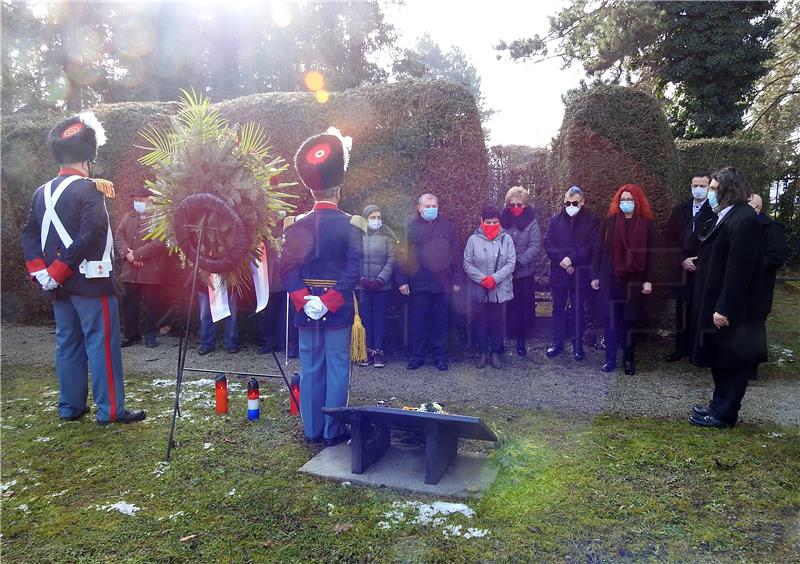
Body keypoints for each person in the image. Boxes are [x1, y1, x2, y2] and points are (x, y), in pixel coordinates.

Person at [20, 112, 145, 425]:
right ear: (88, 157)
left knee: (68, 344)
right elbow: (91, 234)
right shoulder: (90, 190)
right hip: (91, 282)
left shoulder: (40, 192)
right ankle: (111, 410)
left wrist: (42, 272)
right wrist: (60, 270)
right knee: (101, 346)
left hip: (57, 285)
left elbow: (29, 233)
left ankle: (70, 406)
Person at [280, 127, 362, 447]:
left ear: (312, 190)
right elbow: (354, 268)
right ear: (338, 188)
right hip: (337, 306)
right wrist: (328, 301)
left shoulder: (295, 224)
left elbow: (287, 268)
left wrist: (305, 299)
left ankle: (311, 430)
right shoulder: (351, 223)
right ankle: (333, 431)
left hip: (305, 308)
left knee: (311, 367)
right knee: (338, 367)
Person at [688, 168, 769, 428]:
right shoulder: (728, 215)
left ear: (727, 190)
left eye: (713, 189)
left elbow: (739, 270)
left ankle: (724, 414)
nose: (709, 193)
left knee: (733, 363)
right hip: (720, 302)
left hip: (735, 309)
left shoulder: (744, 220)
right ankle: (718, 406)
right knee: (721, 358)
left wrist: (725, 308)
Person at [591, 184, 657, 375]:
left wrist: (648, 280)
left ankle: (628, 360)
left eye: (629, 200)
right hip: (611, 279)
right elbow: (599, 250)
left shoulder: (647, 224)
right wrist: (595, 275)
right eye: (623, 200)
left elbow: (652, 254)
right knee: (610, 321)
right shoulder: (609, 222)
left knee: (629, 323)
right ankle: (610, 359)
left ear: (637, 202)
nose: (626, 203)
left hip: (635, 281)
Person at [396, 193, 463, 371]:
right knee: (418, 322)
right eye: (428, 206)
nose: (432, 209)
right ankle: (417, 356)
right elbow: (402, 255)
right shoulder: (409, 227)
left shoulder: (448, 226)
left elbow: (456, 253)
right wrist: (402, 280)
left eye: (434, 206)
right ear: (419, 208)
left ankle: (440, 357)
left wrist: (457, 279)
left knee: (440, 323)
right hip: (418, 283)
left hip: (442, 283)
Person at [663, 171, 716, 361]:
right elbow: (668, 238)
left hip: (705, 269)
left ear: (709, 187)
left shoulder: (715, 209)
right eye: (695, 185)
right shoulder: (680, 210)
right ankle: (680, 348)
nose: (699, 189)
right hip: (683, 269)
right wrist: (681, 259)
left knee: (702, 309)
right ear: (691, 186)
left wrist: (701, 261)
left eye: (703, 185)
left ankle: (700, 349)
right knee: (682, 310)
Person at [543, 185, 598, 361]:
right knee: (557, 309)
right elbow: (548, 242)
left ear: (582, 202)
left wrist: (572, 260)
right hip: (559, 272)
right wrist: (562, 260)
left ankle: (577, 345)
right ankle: (557, 343)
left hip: (580, 272)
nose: (570, 205)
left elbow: (591, 245)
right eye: (567, 202)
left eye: (574, 202)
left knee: (578, 310)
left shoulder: (591, 221)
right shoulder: (555, 220)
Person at [464, 205, 516, 369]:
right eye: (488, 222)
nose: (492, 225)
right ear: (482, 221)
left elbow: (511, 263)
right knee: (480, 322)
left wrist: (494, 278)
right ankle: (482, 352)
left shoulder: (506, 239)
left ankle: (495, 352)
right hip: (480, 289)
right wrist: (482, 279)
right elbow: (467, 263)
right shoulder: (473, 240)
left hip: (499, 288)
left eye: (495, 222)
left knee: (497, 322)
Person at [115, 186, 168, 348]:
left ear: (150, 201)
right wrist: (128, 254)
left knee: (151, 304)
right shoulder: (128, 217)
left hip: (151, 270)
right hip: (130, 270)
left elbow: (159, 243)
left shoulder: (159, 219)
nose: (137, 203)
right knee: (129, 303)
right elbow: (119, 236)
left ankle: (150, 335)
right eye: (136, 200)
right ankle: (131, 335)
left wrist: (136, 255)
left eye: (141, 200)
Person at [499, 186, 540, 356]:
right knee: (508, 305)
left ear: (525, 205)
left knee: (523, 305)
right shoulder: (501, 219)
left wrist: (519, 263)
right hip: (505, 271)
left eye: (519, 204)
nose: (516, 207)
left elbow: (535, 245)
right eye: (513, 204)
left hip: (524, 272)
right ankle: (509, 332)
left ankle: (521, 339)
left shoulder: (532, 222)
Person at [357, 204, 397, 368]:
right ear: (366, 219)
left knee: (379, 319)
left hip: (382, 286)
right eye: (373, 217)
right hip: (362, 286)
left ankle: (378, 351)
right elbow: (353, 258)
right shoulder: (357, 235)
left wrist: (380, 280)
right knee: (365, 319)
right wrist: (361, 279)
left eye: (379, 217)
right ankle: (365, 351)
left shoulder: (388, 235)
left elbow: (391, 260)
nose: (376, 220)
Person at [748, 193, 788, 316]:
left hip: (759, 288)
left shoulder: (772, 229)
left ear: (758, 208)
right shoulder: (742, 225)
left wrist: (749, 265)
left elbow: (776, 257)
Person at [196, 281, 239, 355]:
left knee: (231, 316)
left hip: (230, 284)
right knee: (205, 316)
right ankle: (206, 344)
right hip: (205, 285)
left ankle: (231, 343)